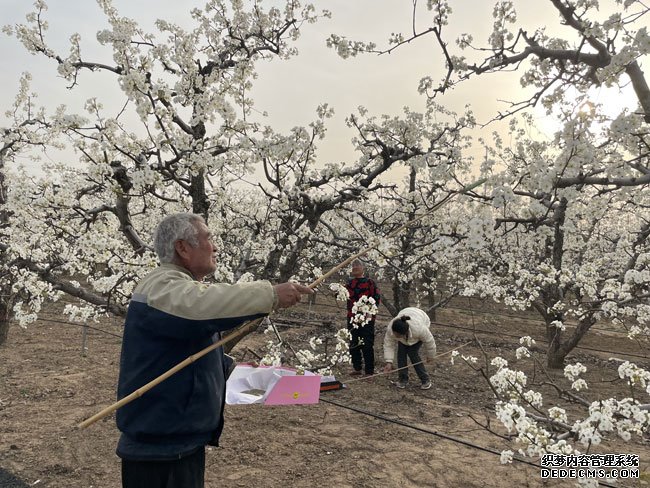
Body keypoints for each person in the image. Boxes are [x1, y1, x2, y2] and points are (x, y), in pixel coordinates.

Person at [116, 213, 312, 488]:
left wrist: (236, 371)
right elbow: (202, 306)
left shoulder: (176, 287)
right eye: (208, 239)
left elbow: (183, 346)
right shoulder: (162, 287)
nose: (216, 247)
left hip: (176, 441)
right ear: (183, 248)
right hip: (161, 449)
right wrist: (270, 295)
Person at [383, 307, 436, 390]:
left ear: (405, 333)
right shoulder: (391, 328)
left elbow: (429, 342)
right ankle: (402, 380)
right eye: (395, 334)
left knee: (412, 353)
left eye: (398, 336)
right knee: (401, 354)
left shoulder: (419, 329)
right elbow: (388, 344)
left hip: (422, 319)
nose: (395, 336)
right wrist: (389, 362)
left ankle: (425, 380)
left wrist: (430, 356)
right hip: (407, 315)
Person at [345, 259, 381, 376]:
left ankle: (369, 371)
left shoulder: (370, 283)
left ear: (363, 268)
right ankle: (357, 368)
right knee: (353, 342)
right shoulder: (349, 284)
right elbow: (341, 295)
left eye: (357, 265)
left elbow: (375, 298)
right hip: (352, 317)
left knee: (367, 344)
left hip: (367, 318)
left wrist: (370, 313)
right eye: (353, 265)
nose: (355, 267)